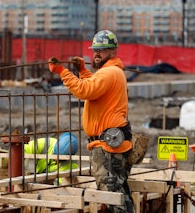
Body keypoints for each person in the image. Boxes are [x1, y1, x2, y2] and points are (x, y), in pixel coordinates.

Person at [47, 30, 135, 213]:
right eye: (95, 49)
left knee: (111, 196)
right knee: (120, 194)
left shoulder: (109, 72)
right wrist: (82, 71)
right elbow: (95, 88)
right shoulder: (110, 72)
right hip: (110, 144)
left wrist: (62, 71)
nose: (96, 53)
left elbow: (84, 91)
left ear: (113, 52)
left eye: (102, 50)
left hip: (108, 148)